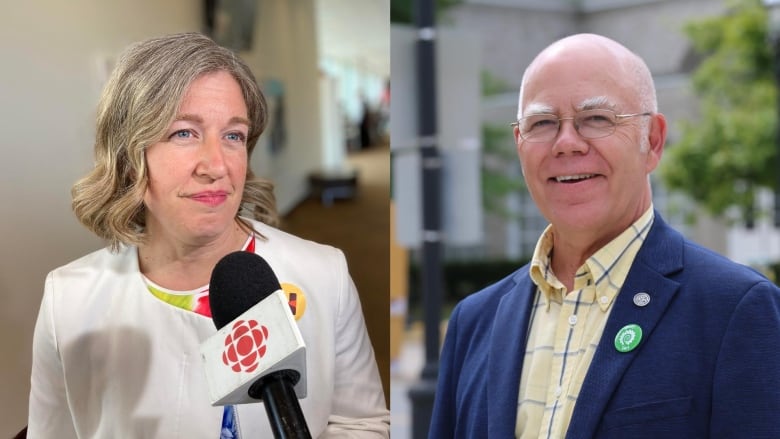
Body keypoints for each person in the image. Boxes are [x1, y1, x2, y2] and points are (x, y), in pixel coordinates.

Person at [28, 32, 389, 438]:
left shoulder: (324, 274)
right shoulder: (69, 301)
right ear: (129, 157)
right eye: (184, 132)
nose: (216, 165)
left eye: (233, 136)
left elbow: (361, 423)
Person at [429, 33, 780, 438]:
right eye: (542, 123)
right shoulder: (473, 322)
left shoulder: (736, 311)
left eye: (596, 119)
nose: (566, 144)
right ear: (519, 143)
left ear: (653, 140)